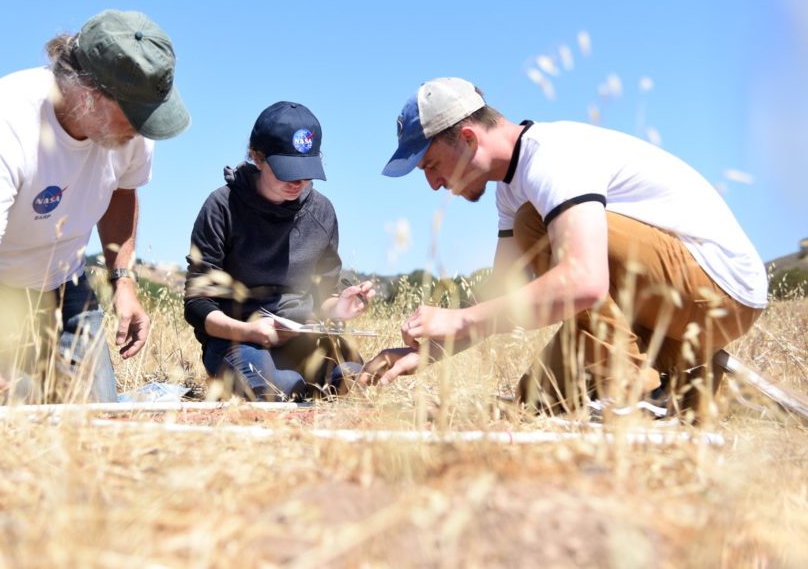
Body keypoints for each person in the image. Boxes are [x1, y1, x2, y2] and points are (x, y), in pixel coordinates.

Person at [361, 77, 767, 416]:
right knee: (529, 406)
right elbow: (505, 295)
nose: (433, 184)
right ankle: (690, 384)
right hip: (667, 307)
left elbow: (585, 282)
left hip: (718, 292)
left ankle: (634, 396)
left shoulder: (551, 156)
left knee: (533, 223)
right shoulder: (511, 190)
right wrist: (433, 350)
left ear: (467, 138)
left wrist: (462, 320)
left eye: (431, 165)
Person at [0, 9, 191, 420]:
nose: (145, 129)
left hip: (56, 267)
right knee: (7, 400)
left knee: (94, 411)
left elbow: (122, 190)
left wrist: (124, 280)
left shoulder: (132, 125)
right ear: (87, 93)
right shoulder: (1, 116)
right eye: (137, 115)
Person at [184, 101, 374, 401]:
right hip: (238, 339)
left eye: (307, 172)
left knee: (352, 380)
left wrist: (339, 305)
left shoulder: (321, 212)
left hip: (304, 338)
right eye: (288, 172)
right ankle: (288, 383)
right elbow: (197, 305)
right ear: (257, 157)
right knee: (272, 391)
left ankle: (303, 381)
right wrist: (249, 332)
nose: (298, 183)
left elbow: (324, 293)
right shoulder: (222, 207)